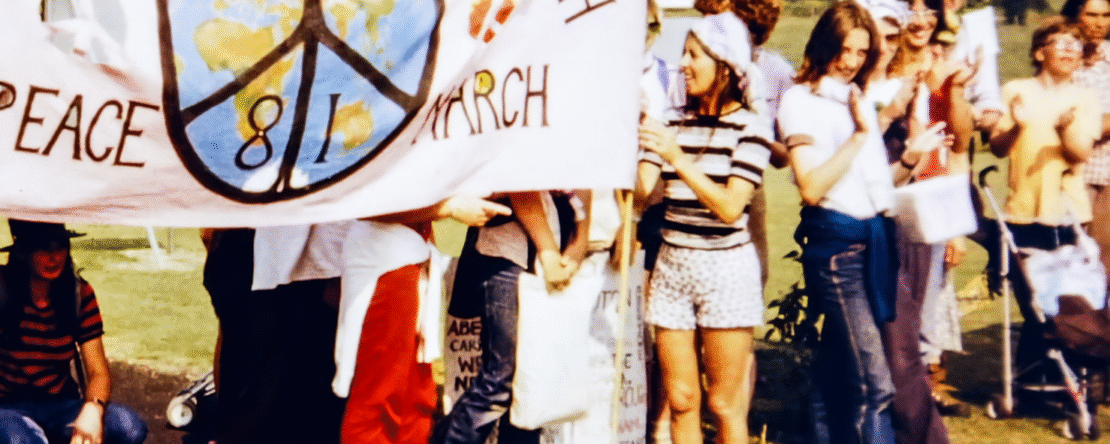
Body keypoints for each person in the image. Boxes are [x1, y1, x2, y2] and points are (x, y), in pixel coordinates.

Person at [636, 13, 773, 444]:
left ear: (726, 64)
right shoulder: (672, 120)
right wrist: (633, 136)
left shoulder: (752, 127)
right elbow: (642, 195)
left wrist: (676, 158)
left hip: (726, 273)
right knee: (680, 398)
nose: (683, 65)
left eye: (694, 56)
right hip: (673, 268)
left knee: (724, 404)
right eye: (683, 55)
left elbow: (732, 206)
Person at [778, 2, 903, 442]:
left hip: (870, 245)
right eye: (844, 50)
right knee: (875, 385)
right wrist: (859, 136)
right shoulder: (800, 100)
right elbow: (811, 187)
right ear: (824, 45)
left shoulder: (856, 99)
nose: (851, 61)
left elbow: (872, 189)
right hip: (838, 252)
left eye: (861, 52)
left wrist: (908, 157)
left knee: (835, 375)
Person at [988, 16, 1100, 376]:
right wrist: (1018, 125)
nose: (1070, 50)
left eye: (1076, 44)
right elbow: (997, 148)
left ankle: (1062, 380)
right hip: (1022, 213)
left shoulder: (1086, 99)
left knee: (1066, 303)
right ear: (1040, 52)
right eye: (1061, 42)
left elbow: (1079, 153)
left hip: (1069, 214)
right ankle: (1038, 375)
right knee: (1032, 301)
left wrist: (1066, 130)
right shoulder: (1016, 90)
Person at [431, 190, 590, 444]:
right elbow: (522, 182)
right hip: (511, 252)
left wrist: (579, 243)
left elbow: (587, 176)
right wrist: (550, 252)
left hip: (557, 247)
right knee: (502, 380)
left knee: (534, 383)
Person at [0, 220, 147, 444]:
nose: (54, 256)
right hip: (9, 406)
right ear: (23, 252)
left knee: (129, 427)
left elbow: (98, 372)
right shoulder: (4, 289)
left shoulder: (79, 293)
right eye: (43, 247)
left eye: (60, 246)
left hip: (61, 404)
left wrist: (93, 408)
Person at [1064, 0, 1110, 292]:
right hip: (1073, 171)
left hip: (1107, 169)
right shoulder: (1065, 59)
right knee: (1072, 254)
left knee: (1105, 256)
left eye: (1106, 15)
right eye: (1091, 15)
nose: (1099, 23)